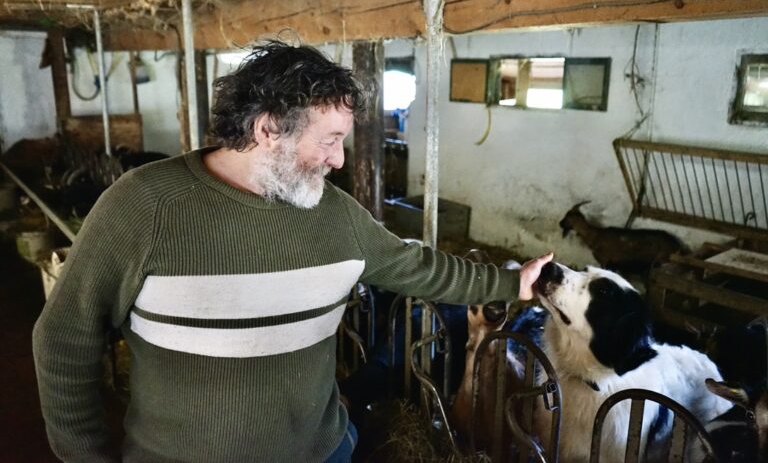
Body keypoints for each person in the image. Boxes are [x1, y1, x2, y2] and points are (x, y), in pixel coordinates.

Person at [33, 40, 553, 463]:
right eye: (329, 140)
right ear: (267, 130)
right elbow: (64, 336)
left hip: (321, 452)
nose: (339, 160)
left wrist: (512, 283)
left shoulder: (336, 215)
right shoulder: (145, 205)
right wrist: (85, 455)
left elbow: (414, 266)